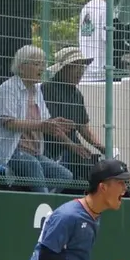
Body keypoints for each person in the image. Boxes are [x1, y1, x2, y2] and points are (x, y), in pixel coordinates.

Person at [0, 44, 73, 192]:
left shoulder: (36, 91)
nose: (41, 68)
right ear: (21, 67)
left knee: (65, 176)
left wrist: (60, 128)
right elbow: (8, 123)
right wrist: (41, 125)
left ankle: (42, 203)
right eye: (36, 64)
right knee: (33, 166)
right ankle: (43, 207)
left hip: (32, 152)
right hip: (9, 151)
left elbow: (46, 122)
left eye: (43, 64)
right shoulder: (8, 88)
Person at [40, 46, 105, 186]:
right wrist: (72, 146)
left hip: (74, 148)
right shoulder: (47, 89)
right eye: (75, 66)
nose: (80, 71)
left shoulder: (76, 95)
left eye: (82, 67)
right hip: (52, 149)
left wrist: (101, 147)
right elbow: (53, 127)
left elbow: (83, 128)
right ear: (63, 68)